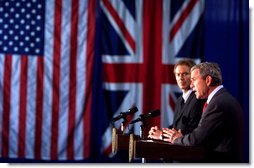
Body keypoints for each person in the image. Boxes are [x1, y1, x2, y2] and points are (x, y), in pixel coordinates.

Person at [163, 62, 243, 162]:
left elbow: (197, 139)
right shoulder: (221, 98)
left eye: (194, 80)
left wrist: (176, 139)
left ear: (208, 80)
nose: (191, 85)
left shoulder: (217, 104)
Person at [148, 59, 206, 140]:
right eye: (178, 74)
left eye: (185, 74)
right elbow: (175, 127)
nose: (181, 78)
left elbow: (193, 130)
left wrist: (162, 135)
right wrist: (159, 132)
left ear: (193, 76)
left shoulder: (198, 98)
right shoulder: (180, 100)